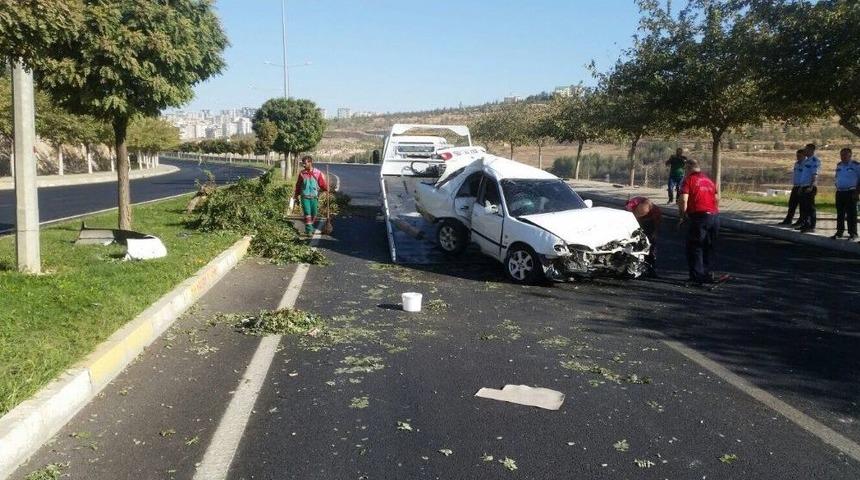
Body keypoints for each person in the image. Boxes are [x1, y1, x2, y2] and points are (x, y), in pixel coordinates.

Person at [677, 159, 729, 285]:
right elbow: (717, 198)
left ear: (689, 169)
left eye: (685, 169)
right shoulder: (709, 180)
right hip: (714, 217)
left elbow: (684, 199)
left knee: (695, 247)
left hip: (699, 216)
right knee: (708, 246)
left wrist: (682, 216)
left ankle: (696, 276)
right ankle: (706, 273)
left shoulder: (688, 180)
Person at [624, 196, 661, 277]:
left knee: (651, 245)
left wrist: (655, 233)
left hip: (648, 224)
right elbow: (625, 215)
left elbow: (657, 223)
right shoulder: (632, 204)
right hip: (633, 221)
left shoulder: (655, 211)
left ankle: (651, 267)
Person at [293, 156, 328, 235]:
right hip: (304, 197)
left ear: (310, 162)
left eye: (305, 163)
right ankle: (309, 231)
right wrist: (296, 195)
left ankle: (310, 227)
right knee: (307, 213)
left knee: (314, 214)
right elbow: (298, 185)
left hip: (314, 197)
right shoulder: (302, 173)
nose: (304, 165)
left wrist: (326, 189)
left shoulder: (317, 173)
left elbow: (321, 183)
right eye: (303, 163)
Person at [833, 147, 859, 240]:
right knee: (840, 213)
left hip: (851, 192)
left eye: (845, 154)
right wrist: (836, 184)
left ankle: (853, 233)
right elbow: (836, 177)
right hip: (840, 192)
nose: (843, 156)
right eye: (841, 154)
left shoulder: (856, 165)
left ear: (850, 155)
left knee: (851, 214)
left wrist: (857, 192)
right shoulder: (839, 165)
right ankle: (839, 232)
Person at [796, 143, 820, 233]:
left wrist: (811, 186)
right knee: (804, 207)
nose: (804, 151)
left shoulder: (814, 160)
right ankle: (805, 224)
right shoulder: (806, 161)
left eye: (806, 149)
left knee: (810, 207)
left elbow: (815, 175)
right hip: (803, 186)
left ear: (811, 150)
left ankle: (811, 226)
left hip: (809, 187)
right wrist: (800, 187)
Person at [779, 149, 807, 226]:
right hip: (795, 186)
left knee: (802, 205)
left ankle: (801, 220)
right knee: (792, 204)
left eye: (799, 156)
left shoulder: (806, 164)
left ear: (804, 156)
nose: (797, 157)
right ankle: (788, 219)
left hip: (802, 186)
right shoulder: (796, 164)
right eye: (797, 155)